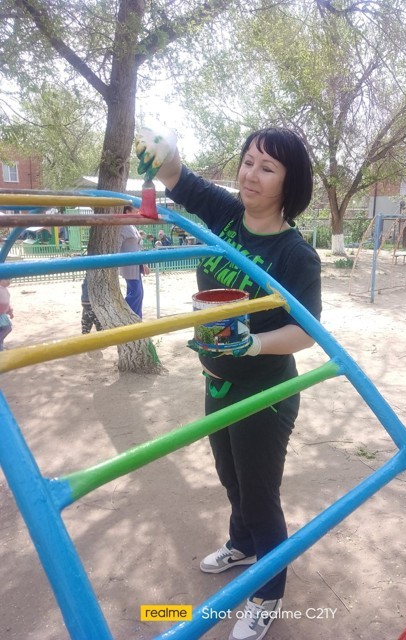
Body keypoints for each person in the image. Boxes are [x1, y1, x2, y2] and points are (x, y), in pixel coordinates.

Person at [136, 126, 321, 640]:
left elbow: (307, 332)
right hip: (216, 379)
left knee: (259, 494)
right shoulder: (225, 213)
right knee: (230, 478)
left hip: (265, 391)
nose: (251, 174)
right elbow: (179, 178)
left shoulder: (295, 254)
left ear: (289, 183)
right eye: (248, 161)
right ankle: (242, 545)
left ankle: (268, 593)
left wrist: (252, 344)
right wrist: (164, 154)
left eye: (268, 167)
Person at [119, 205, 150, 318]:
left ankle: (136, 317)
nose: (137, 214)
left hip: (136, 265)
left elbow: (137, 246)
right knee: (135, 293)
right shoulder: (122, 226)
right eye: (135, 212)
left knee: (138, 293)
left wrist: (143, 263)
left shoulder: (131, 226)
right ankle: (128, 316)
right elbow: (116, 245)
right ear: (127, 212)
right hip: (129, 265)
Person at [0, 278, 13, 350]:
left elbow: (7, 302)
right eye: (6, 279)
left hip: (3, 314)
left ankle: (1, 346)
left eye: (9, 279)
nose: (8, 281)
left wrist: (10, 312)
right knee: (7, 328)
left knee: (2, 330)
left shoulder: (5, 290)